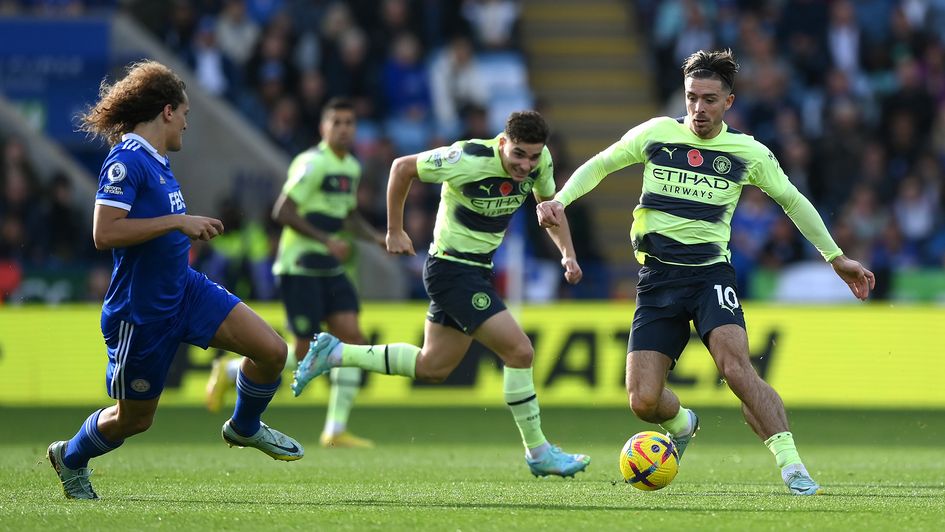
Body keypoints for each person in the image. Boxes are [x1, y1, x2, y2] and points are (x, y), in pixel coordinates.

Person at [536, 49, 875, 495]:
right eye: (692, 97)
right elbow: (602, 163)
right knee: (642, 401)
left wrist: (835, 256)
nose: (698, 108)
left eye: (709, 99)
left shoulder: (748, 151)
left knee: (736, 368)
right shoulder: (656, 133)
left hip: (709, 276)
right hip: (657, 280)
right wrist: (561, 199)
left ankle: (792, 466)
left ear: (728, 102)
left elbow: (792, 200)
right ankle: (682, 423)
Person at [48, 61, 303, 500]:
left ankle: (244, 427)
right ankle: (70, 456)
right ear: (167, 111)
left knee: (272, 351)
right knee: (135, 420)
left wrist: (180, 227)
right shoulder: (127, 160)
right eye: (185, 113)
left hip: (185, 290)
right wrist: (178, 222)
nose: (187, 123)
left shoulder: (159, 162)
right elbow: (104, 233)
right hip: (141, 313)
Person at [292, 110, 591, 477]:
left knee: (432, 366)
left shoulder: (541, 163)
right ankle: (538, 451)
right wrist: (395, 229)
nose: (526, 165)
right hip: (452, 270)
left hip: (477, 270)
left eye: (533, 156)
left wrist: (567, 254)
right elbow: (402, 167)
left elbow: (549, 210)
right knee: (520, 351)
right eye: (518, 154)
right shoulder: (466, 157)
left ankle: (336, 353)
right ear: (502, 143)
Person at [206, 97, 383, 448]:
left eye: (349, 123)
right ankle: (229, 370)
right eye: (336, 122)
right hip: (300, 266)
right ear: (323, 127)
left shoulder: (351, 167)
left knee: (354, 340)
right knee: (303, 352)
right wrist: (326, 240)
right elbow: (282, 211)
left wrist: (378, 237)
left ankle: (335, 429)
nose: (343, 129)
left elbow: (348, 215)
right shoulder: (311, 162)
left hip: (330, 268)